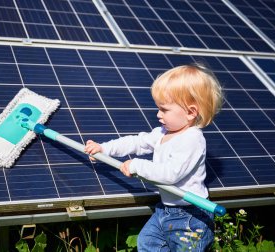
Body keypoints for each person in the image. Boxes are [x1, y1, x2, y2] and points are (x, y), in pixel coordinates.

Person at [84, 64, 223, 251]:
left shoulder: (192, 140)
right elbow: (137, 142)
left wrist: (137, 165)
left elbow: (171, 174)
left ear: (190, 112)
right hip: (165, 209)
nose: (158, 114)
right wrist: (104, 148)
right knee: (147, 243)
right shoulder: (163, 132)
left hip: (190, 215)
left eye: (164, 110)